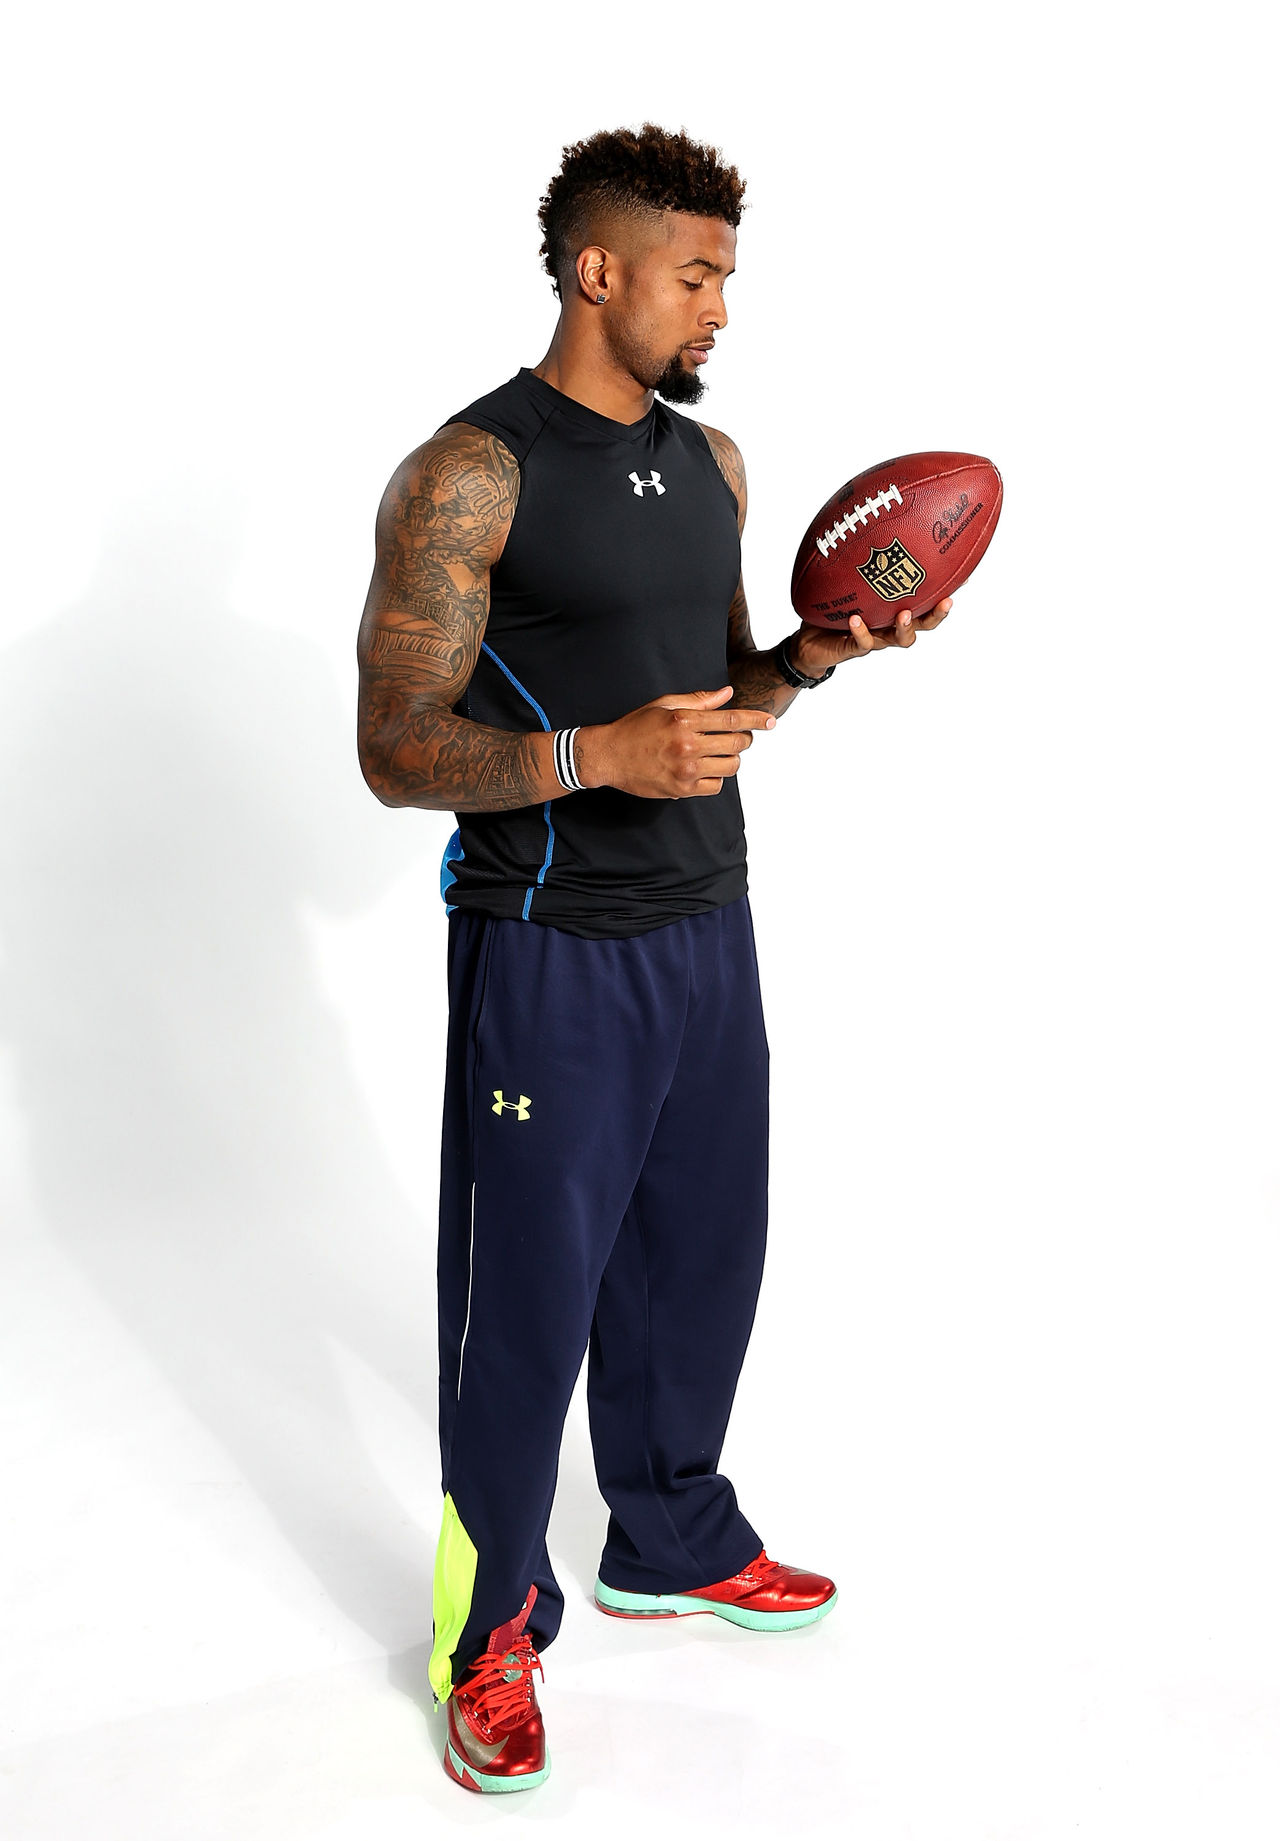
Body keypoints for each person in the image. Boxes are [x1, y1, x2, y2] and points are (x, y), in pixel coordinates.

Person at [355, 122, 952, 1795]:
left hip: (708, 922)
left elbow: (710, 703)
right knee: (525, 1303)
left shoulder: (715, 466)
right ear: (596, 270)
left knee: (702, 1256)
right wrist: (596, 757)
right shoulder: (470, 473)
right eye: (695, 277)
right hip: (550, 945)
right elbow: (394, 746)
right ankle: (488, 1633)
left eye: (727, 279)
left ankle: (671, 1530)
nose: (720, 309)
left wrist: (811, 656)